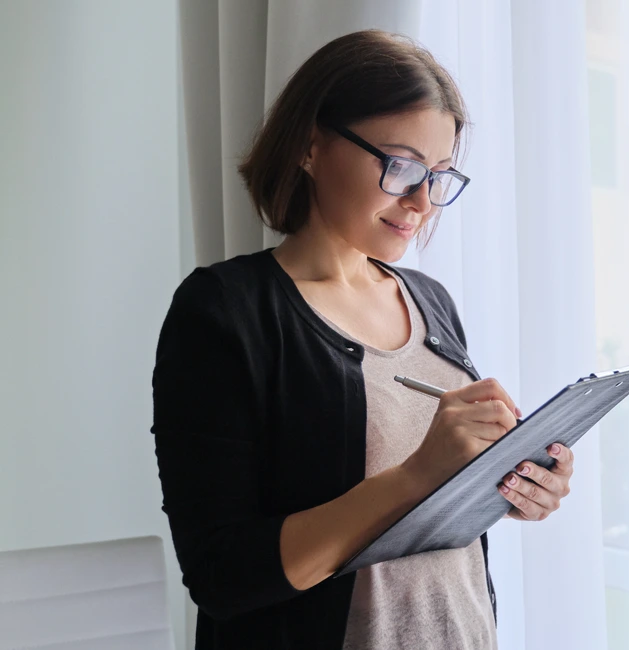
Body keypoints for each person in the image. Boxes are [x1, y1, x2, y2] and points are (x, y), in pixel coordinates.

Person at [151, 29, 575, 649]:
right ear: (310, 145)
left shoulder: (430, 302)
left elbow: (434, 518)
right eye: (400, 166)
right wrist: (415, 476)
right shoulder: (223, 311)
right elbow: (224, 577)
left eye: (439, 175)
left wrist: (509, 482)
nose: (422, 201)